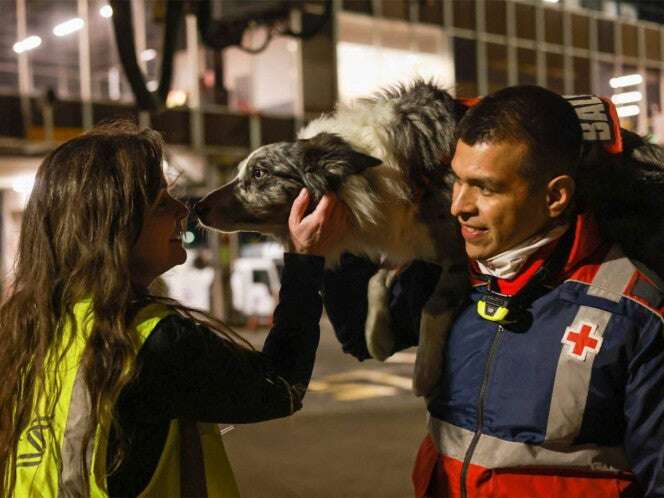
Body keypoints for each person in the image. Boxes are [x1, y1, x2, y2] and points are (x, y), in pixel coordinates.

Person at [323, 86, 664, 497]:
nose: (459, 206)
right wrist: (326, 243)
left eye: (486, 188)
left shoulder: (637, 312)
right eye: (457, 182)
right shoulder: (445, 281)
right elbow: (360, 336)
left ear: (556, 195)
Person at [0, 122, 349, 497]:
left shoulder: (27, 327)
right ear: (116, 227)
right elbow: (282, 386)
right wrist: (304, 259)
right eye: (160, 202)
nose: (181, 210)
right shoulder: (152, 342)